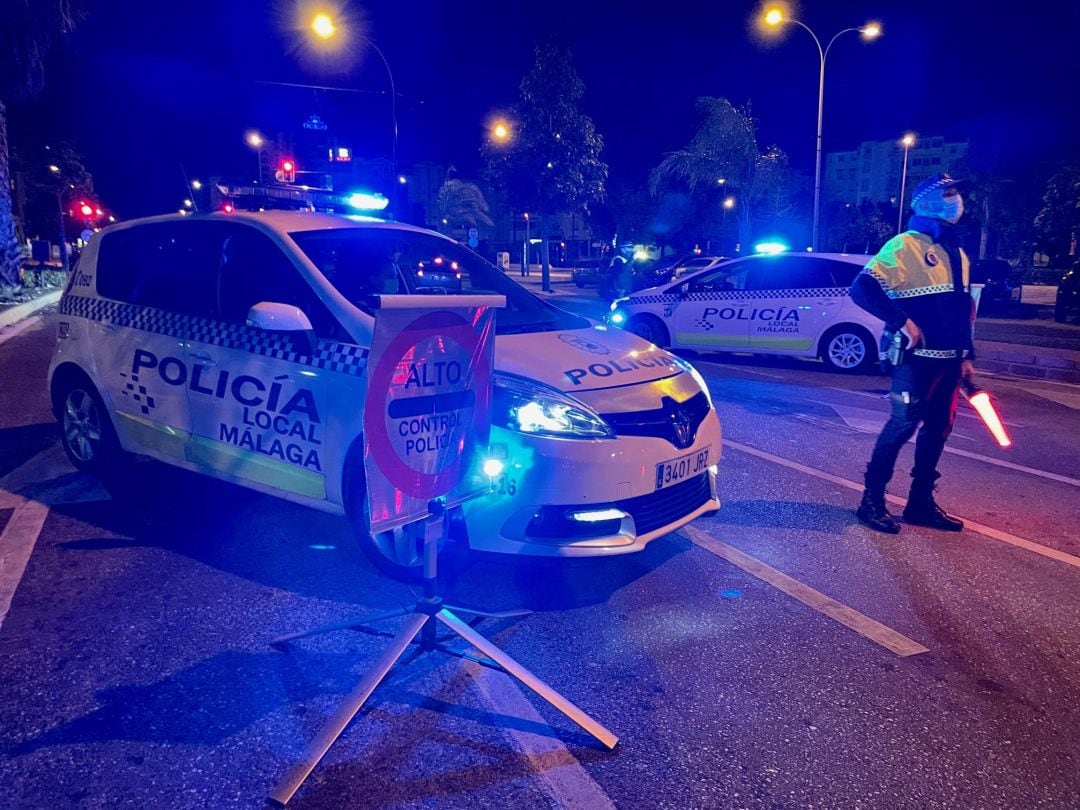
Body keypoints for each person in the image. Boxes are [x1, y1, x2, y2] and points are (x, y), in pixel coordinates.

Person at [849, 173, 977, 534]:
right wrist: (902, 321)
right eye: (948, 193)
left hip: (950, 362)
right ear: (927, 202)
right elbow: (862, 289)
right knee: (902, 425)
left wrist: (968, 355)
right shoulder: (904, 245)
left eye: (956, 192)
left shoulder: (958, 251)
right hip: (914, 362)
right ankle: (871, 500)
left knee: (938, 430)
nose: (956, 200)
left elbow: (962, 308)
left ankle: (920, 502)